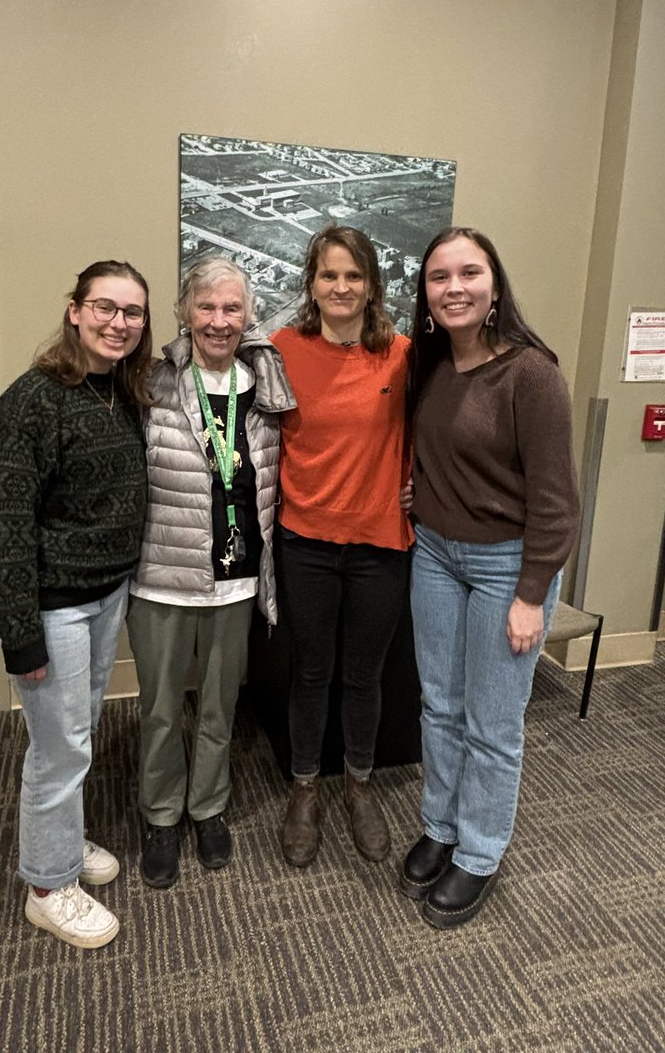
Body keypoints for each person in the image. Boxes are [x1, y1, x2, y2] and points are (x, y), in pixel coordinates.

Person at [402, 226, 579, 928]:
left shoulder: (531, 373)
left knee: (493, 723)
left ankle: (478, 852)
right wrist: (423, 491)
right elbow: (444, 451)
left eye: (469, 273)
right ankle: (440, 826)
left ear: (495, 285)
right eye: (439, 277)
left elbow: (556, 501)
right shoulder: (434, 362)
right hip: (438, 556)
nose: (454, 288)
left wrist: (532, 594)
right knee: (439, 706)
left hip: (509, 564)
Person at [0, 260, 151, 949]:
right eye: (105, 307)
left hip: (106, 593)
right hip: (53, 606)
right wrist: (19, 633)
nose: (118, 323)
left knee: (74, 735)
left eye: (132, 313)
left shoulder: (121, 392)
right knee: (61, 747)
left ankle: (63, 846)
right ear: (74, 310)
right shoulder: (30, 404)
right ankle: (47, 886)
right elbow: (3, 529)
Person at [128, 257, 295, 889]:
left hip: (239, 577)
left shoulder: (266, 386)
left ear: (248, 315)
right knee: (163, 708)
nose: (219, 321)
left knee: (221, 706)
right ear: (184, 311)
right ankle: (161, 815)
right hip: (163, 576)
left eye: (231, 308)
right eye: (206, 307)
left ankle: (208, 807)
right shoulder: (155, 383)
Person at [271, 225, 412, 868]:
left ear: (372, 286)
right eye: (329, 275)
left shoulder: (404, 355)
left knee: (364, 676)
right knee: (310, 672)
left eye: (353, 276)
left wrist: (421, 487)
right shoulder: (281, 350)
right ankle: (305, 788)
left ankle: (358, 784)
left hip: (380, 543)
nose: (341, 287)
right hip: (305, 541)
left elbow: (439, 431)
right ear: (312, 283)